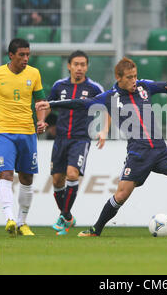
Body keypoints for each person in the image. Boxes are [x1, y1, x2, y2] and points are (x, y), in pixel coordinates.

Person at [36, 57, 167, 237]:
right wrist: (51, 103)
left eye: (135, 76)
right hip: (138, 154)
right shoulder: (109, 97)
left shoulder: (143, 86)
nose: (134, 80)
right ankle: (96, 228)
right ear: (118, 78)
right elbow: (80, 103)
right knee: (121, 196)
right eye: (129, 77)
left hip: (160, 150)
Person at [0, 38, 47, 237]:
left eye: (28, 54)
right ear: (11, 55)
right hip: (4, 131)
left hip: (27, 132)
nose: (25, 58)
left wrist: (41, 121)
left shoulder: (34, 73)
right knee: (6, 174)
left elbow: (41, 102)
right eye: (22, 55)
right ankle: (10, 218)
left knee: (26, 177)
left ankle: (23, 222)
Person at [46, 50, 106, 236]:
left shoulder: (95, 88)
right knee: (57, 180)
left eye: (83, 65)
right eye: (76, 64)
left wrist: (103, 130)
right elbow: (48, 106)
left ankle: (63, 217)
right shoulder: (59, 86)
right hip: (61, 138)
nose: (79, 68)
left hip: (81, 138)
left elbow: (107, 107)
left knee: (72, 175)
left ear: (87, 67)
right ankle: (68, 216)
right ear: (69, 66)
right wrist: (41, 122)